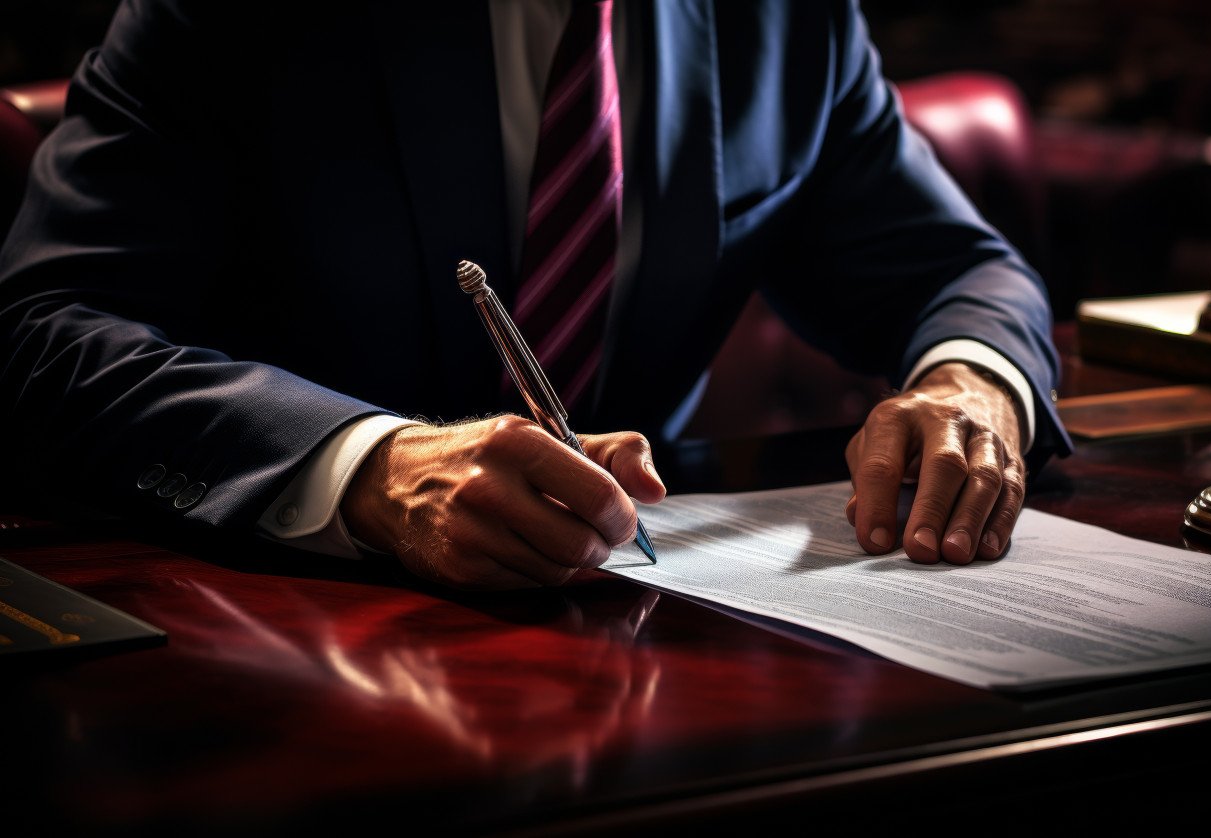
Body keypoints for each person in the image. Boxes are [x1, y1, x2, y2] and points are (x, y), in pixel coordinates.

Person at [0, 0, 1072, 590]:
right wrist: (366, 466)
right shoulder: (245, 14)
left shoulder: (785, 21)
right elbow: (45, 330)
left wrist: (971, 384)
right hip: (277, 624)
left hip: (641, 634)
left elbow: (955, 269)